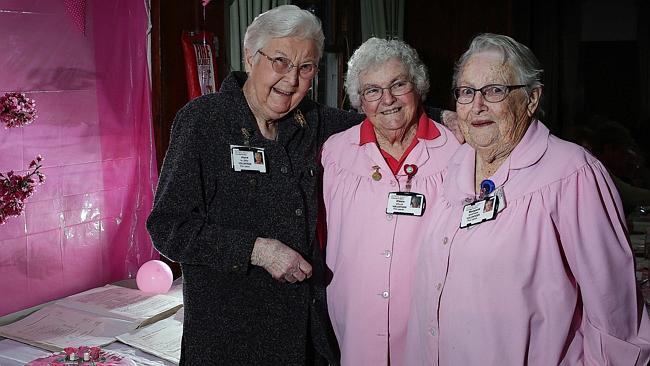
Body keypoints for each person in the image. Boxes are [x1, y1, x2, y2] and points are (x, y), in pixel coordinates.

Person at [147, 5, 452, 365]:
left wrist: (448, 116)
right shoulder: (204, 121)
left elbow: (379, 112)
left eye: (305, 68)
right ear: (249, 56)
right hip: (229, 337)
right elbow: (168, 228)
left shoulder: (309, 121)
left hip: (303, 337)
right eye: (280, 61)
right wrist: (257, 250)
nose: (291, 79)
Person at [406, 33, 650, 365]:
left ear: (532, 99)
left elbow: (614, 312)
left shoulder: (571, 173)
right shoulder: (458, 164)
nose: (477, 105)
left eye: (494, 91)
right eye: (466, 92)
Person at [321, 38, 459, 366]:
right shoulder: (335, 153)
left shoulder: (457, 151)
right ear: (359, 99)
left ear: (418, 85)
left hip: (432, 326)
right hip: (356, 327)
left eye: (398, 84)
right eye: (372, 90)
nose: (388, 100)